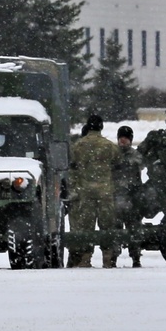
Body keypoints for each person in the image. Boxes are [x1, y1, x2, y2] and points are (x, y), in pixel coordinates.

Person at [67, 114, 121, 268]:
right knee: (107, 226)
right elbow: (118, 161)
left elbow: (72, 165)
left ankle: (85, 259)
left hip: (86, 193)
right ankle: (108, 259)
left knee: (86, 227)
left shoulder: (78, 146)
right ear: (101, 127)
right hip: (105, 192)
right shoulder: (109, 146)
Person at [112, 125, 145, 268]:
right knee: (115, 231)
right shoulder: (113, 154)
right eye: (121, 138)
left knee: (134, 230)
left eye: (126, 138)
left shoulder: (135, 155)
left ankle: (136, 257)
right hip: (116, 198)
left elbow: (141, 163)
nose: (123, 141)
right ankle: (113, 257)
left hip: (132, 199)